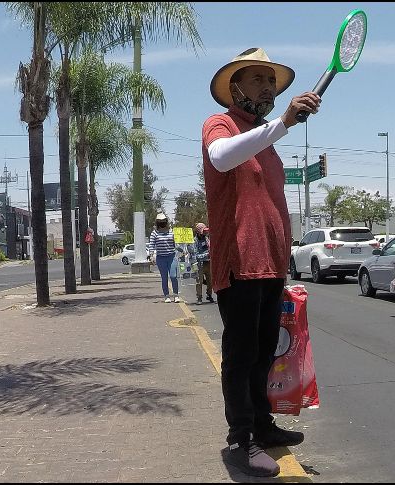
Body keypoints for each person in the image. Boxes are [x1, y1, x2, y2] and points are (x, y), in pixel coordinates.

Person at [202, 47, 321, 477]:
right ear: (235, 87)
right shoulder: (221, 125)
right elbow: (221, 157)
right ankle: (241, 440)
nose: (267, 87)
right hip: (239, 263)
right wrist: (283, 123)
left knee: (265, 351)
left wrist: (277, 128)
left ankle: (263, 424)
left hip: (271, 263)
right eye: (257, 79)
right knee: (241, 353)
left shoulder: (267, 140)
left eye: (271, 81)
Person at [149, 213, 180, 303]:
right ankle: (166, 296)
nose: (162, 223)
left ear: (166, 222)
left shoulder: (172, 231)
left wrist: (182, 248)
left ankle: (176, 295)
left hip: (172, 256)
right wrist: (151, 256)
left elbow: (176, 243)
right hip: (161, 258)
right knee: (164, 277)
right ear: (157, 222)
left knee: (173, 276)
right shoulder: (154, 233)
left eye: (163, 221)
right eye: (160, 222)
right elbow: (151, 245)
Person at [192, 223, 213, 305]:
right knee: (199, 282)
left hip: (208, 262)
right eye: (203, 231)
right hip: (199, 264)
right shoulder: (195, 241)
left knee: (210, 280)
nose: (205, 233)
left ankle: (209, 294)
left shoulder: (206, 239)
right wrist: (206, 254)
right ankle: (199, 297)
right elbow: (195, 256)